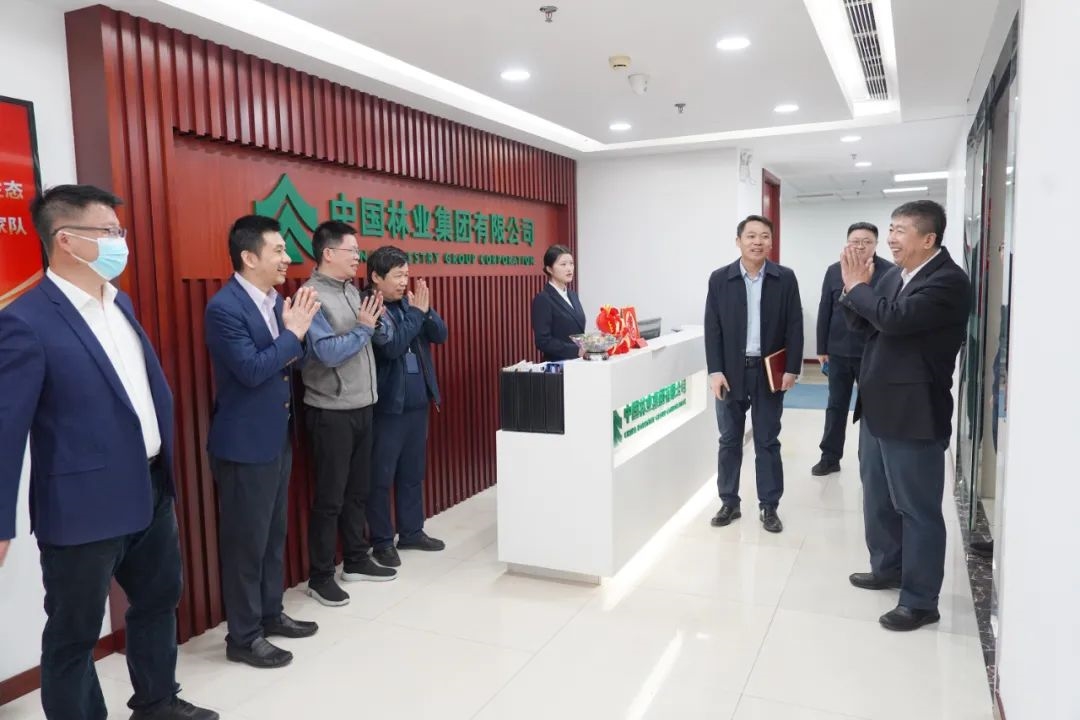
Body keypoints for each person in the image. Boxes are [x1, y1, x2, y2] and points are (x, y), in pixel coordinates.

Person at [0, 185, 217, 719]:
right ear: (66, 240)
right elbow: (6, 429)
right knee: (73, 634)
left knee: (158, 599)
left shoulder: (120, 302)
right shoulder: (25, 320)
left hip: (150, 488)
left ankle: (157, 702)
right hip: (82, 507)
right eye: (109, 232)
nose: (121, 242)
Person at [840, 200, 970, 632]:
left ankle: (920, 600)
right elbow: (866, 324)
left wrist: (858, 289)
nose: (891, 239)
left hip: (914, 413)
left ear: (928, 239)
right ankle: (888, 568)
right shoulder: (896, 275)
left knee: (917, 509)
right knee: (877, 497)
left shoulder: (948, 281)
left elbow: (894, 320)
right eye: (891, 229)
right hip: (877, 407)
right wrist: (853, 292)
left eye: (900, 230)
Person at [204, 215, 321, 668]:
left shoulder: (276, 301)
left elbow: (294, 359)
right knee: (245, 545)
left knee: (272, 536)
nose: (287, 258)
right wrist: (293, 334)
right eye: (278, 250)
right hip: (243, 444)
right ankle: (243, 636)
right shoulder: (225, 308)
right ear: (249, 257)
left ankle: (271, 614)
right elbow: (252, 370)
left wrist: (296, 334)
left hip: (277, 437)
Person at [300, 221, 396, 607]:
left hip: (363, 404)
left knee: (358, 491)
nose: (358, 257)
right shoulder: (311, 296)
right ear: (328, 253)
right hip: (331, 411)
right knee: (330, 498)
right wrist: (363, 328)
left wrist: (377, 324)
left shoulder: (353, 291)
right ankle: (320, 575)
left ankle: (355, 559)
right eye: (351, 251)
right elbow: (326, 353)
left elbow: (372, 336)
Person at [704, 215, 804, 534]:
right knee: (729, 440)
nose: (757, 242)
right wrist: (715, 371)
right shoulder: (720, 279)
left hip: (768, 373)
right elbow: (712, 328)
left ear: (771, 242)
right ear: (738, 241)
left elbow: (795, 325)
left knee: (767, 440)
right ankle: (729, 502)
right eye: (750, 236)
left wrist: (792, 368)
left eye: (764, 236)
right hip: (730, 373)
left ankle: (769, 506)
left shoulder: (784, 278)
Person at [366, 245, 448, 567]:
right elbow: (391, 346)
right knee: (381, 476)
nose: (404, 282)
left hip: (418, 403)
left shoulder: (409, 304)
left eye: (406, 275)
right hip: (388, 407)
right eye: (398, 276)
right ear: (376, 277)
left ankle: (412, 531)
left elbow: (440, 335)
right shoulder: (370, 307)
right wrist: (416, 314)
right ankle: (382, 541)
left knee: (413, 472)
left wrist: (426, 312)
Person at [813, 222, 895, 476]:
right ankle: (829, 457)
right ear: (847, 243)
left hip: (872, 352)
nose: (860, 246)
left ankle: (868, 461)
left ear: (876, 245)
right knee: (835, 405)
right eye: (855, 241)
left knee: (870, 409)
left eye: (866, 241)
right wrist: (821, 346)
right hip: (838, 350)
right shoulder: (834, 270)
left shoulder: (889, 272)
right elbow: (825, 309)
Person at [531, 244, 586, 361]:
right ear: (549, 269)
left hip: (578, 363)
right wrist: (576, 350)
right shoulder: (543, 299)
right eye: (563, 264)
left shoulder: (573, 295)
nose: (569, 268)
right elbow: (542, 341)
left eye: (571, 263)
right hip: (558, 365)